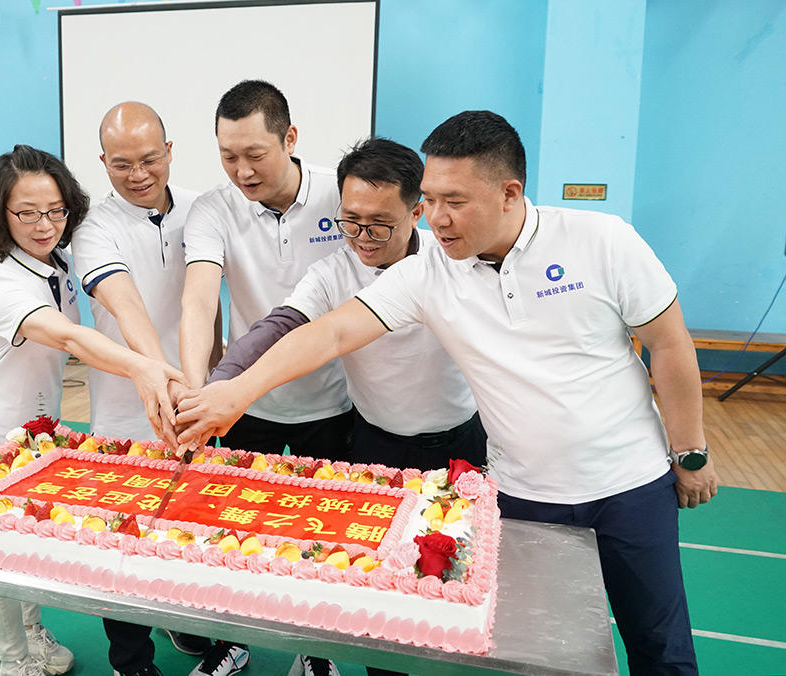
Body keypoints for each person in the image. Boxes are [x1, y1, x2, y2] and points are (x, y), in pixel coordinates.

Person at [175, 111, 717, 676]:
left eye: (453, 201)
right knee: (538, 649)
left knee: (658, 641)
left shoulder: (602, 241)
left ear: (509, 193)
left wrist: (690, 452)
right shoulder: (428, 272)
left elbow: (669, 345)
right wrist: (236, 391)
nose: (437, 217)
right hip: (522, 494)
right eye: (430, 200)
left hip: (629, 484)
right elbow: (329, 332)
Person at [0, 145, 186, 676]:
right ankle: (11, 659)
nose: (44, 225)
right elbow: (70, 337)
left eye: (56, 211)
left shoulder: (56, 263)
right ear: (1, 213)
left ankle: (31, 634)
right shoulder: (4, 279)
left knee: (26, 542)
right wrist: (145, 368)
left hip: (33, 435)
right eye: (27, 213)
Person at [209, 136, 485, 475]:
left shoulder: (450, 259)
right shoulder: (333, 273)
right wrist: (220, 385)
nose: (363, 237)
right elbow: (277, 327)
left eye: (379, 224)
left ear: (416, 213)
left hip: (461, 439)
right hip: (375, 442)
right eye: (351, 220)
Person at [70, 102, 212, 672]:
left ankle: (186, 619)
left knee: (189, 525)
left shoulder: (201, 210)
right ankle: (130, 659)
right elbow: (126, 305)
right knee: (123, 539)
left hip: (196, 400)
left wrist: (196, 388)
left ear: (170, 151)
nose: (138, 174)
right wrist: (162, 378)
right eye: (121, 164)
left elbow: (204, 301)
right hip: (125, 409)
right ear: (102, 161)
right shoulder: (93, 227)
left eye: (150, 159)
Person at [179, 79, 352, 460]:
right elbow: (199, 301)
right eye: (229, 157)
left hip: (333, 401)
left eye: (255, 155)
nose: (242, 172)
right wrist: (195, 391)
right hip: (245, 401)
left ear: (289, 139)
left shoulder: (339, 195)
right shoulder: (213, 209)